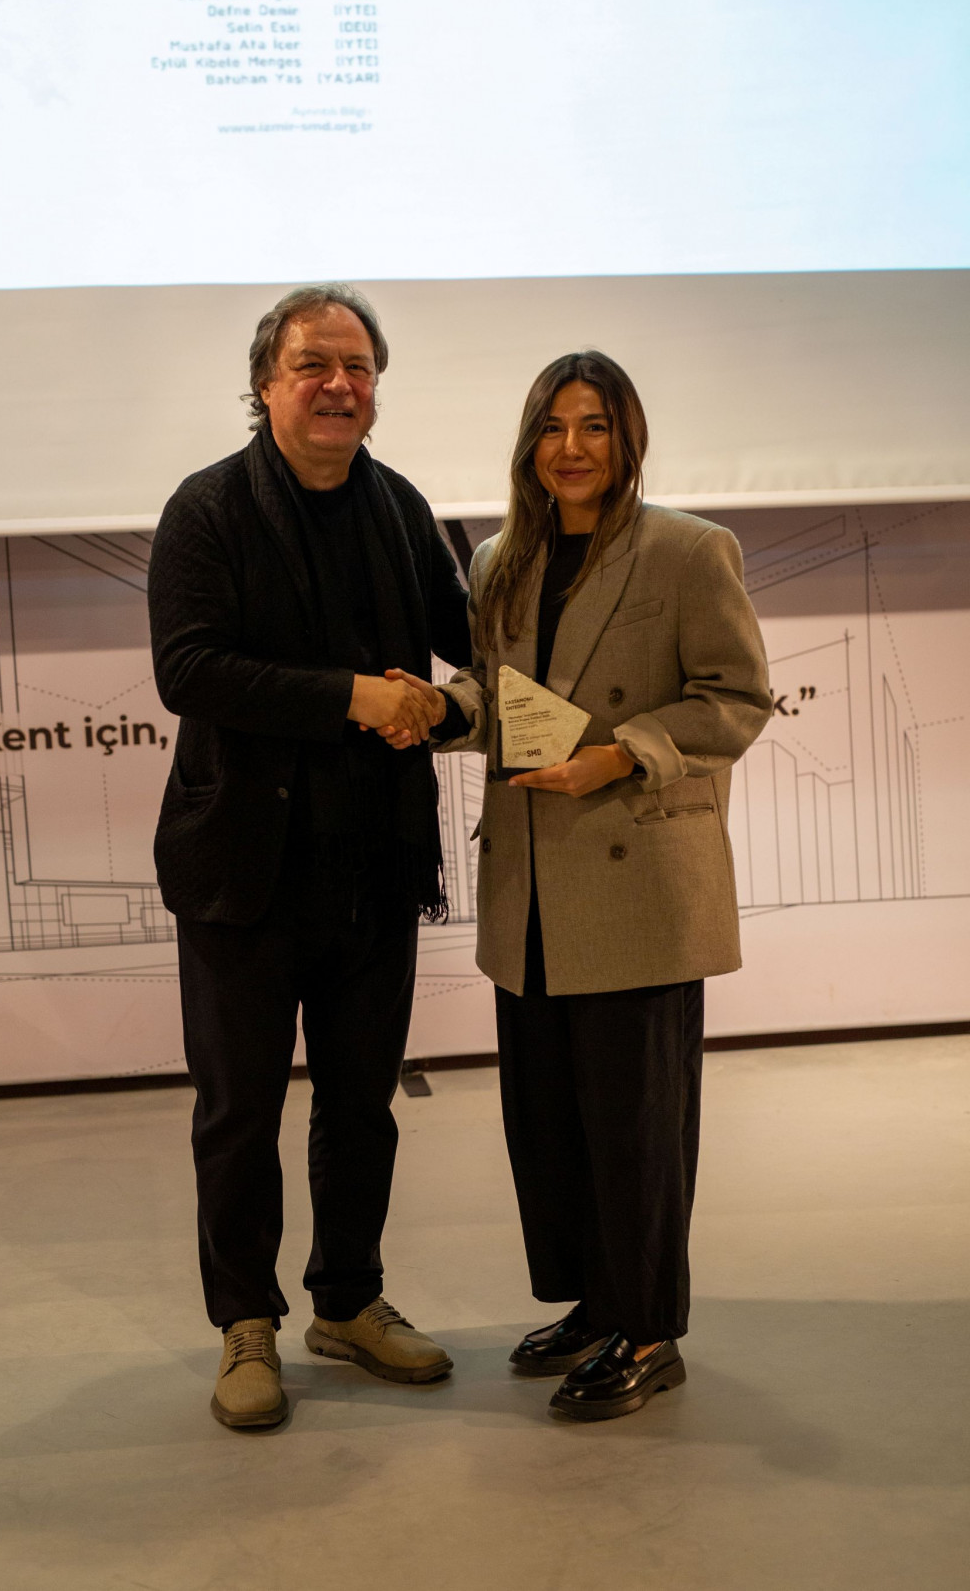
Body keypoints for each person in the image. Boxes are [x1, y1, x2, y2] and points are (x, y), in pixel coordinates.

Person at [380, 350, 771, 1421]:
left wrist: (622, 754)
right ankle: (596, 1304)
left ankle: (648, 1332)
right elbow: (505, 699)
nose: (572, 447)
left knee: (636, 1128)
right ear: (529, 443)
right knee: (551, 1123)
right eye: (553, 427)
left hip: (635, 876)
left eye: (594, 426)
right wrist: (442, 710)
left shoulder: (689, 550)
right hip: (532, 885)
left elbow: (735, 697)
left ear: (627, 439)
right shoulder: (502, 558)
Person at [148, 284, 471, 1428]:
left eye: (359, 367)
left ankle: (348, 1300)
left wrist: (452, 707)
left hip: (374, 863)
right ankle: (246, 1323)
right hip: (241, 869)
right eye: (313, 366)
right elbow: (189, 670)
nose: (340, 385)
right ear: (265, 383)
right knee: (238, 1112)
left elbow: (471, 643)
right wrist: (353, 697)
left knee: (360, 1105)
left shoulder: (404, 508)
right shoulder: (207, 509)